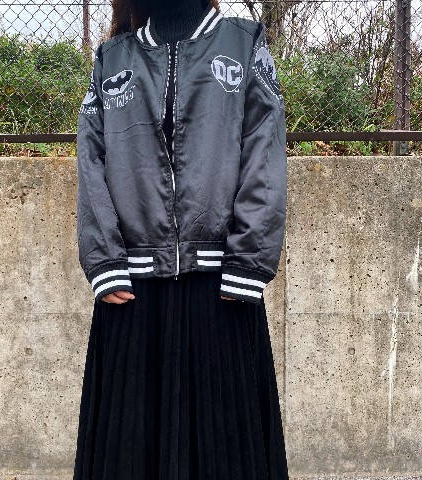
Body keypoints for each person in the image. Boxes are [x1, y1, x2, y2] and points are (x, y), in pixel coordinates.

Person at [72, 0, 289, 478]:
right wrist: (105, 262)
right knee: (130, 453)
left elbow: (264, 147)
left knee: (225, 454)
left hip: (222, 290)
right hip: (132, 292)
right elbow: (90, 157)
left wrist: (248, 262)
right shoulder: (112, 59)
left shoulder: (243, 43)